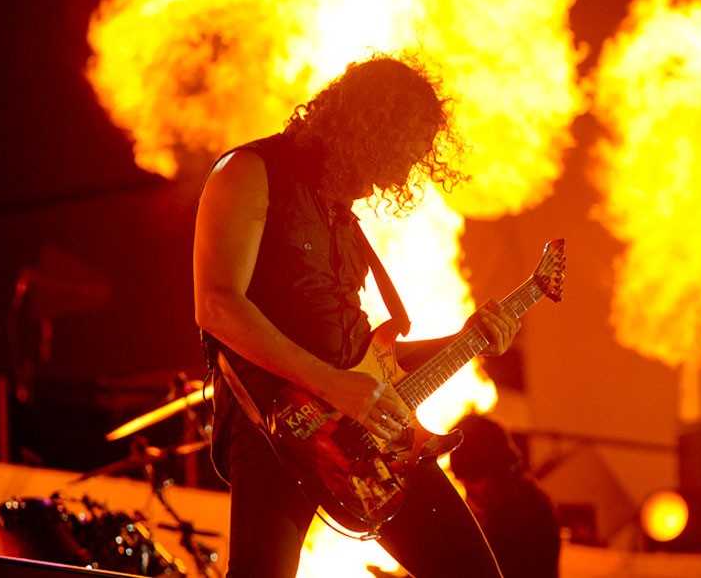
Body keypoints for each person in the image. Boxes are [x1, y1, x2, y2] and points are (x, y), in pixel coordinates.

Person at [193, 53, 522, 578]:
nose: (401, 174)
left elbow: (368, 365)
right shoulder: (249, 173)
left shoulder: (342, 217)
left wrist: (466, 340)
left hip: (367, 448)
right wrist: (331, 385)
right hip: (275, 427)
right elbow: (216, 306)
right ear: (369, 130)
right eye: (399, 154)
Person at [450, 414, 561, 578]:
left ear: (497, 470)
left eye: (474, 479)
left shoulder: (529, 513)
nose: (469, 494)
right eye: (463, 484)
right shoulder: (515, 504)